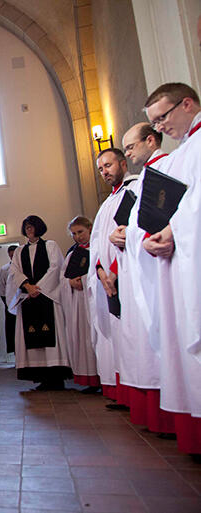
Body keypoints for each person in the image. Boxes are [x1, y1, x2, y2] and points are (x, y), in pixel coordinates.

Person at [142, 82, 201, 454]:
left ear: (188, 103)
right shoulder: (182, 154)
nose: (159, 128)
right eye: (154, 122)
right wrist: (149, 236)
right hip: (179, 264)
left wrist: (171, 230)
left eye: (162, 117)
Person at [112, 124, 174, 436]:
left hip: (161, 267)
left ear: (151, 140)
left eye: (129, 148)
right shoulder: (147, 176)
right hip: (141, 267)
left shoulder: (165, 169)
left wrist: (131, 236)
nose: (128, 155)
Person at [86, 148, 136, 406]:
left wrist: (113, 271)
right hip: (107, 280)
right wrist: (101, 271)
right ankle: (122, 391)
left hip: (125, 279)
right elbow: (96, 245)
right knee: (116, 337)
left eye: (108, 165)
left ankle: (134, 392)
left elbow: (129, 235)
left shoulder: (134, 191)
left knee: (131, 336)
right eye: (100, 169)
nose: (104, 172)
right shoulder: (107, 203)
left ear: (123, 163)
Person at [6, 215, 71, 390]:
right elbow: (14, 271)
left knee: (52, 337)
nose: (29, 230)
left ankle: (56, 378)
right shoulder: (19, 251)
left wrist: (38, 288)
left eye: (31, 226)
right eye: (26, 227)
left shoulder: (51, 246)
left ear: (38, 227)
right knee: (31, 338)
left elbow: (56, 267)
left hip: (47, 298)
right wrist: (27, 286)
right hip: (29, 299)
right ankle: (40, 377)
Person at [59, 216, 99, 393]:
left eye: (80, 232)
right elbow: (61, 278)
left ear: (90, 228)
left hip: (96, 303)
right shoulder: (72, 253)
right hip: (78, 303)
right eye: (74, 234)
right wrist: (69, 283)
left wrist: (83, 279)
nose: (78, 237)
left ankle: (105, 379)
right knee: (83, 339)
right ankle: (90, 380)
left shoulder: (99, 247)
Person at [0, 245, 18, 354]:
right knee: (13, 330)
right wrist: (8, 302)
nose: (12, 258)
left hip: (24, 302)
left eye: (14, 255)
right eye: (10, 256)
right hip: (10, 303)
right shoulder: (5, 269)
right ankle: (16, 355)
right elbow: (1, 288)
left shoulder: (25, 267)